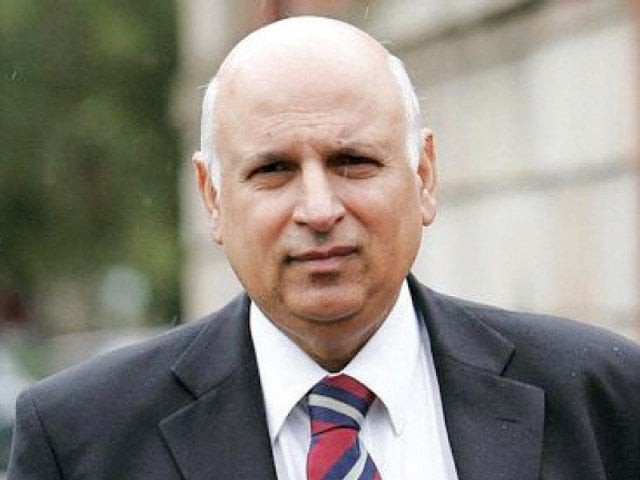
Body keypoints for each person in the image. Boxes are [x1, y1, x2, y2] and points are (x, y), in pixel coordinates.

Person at [8, 16, 640, 480]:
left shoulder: (601, 397)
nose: (318, 209)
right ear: (212, 198)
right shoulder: (81, 440)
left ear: (423, 176)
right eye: (274, 170)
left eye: (353, 161)